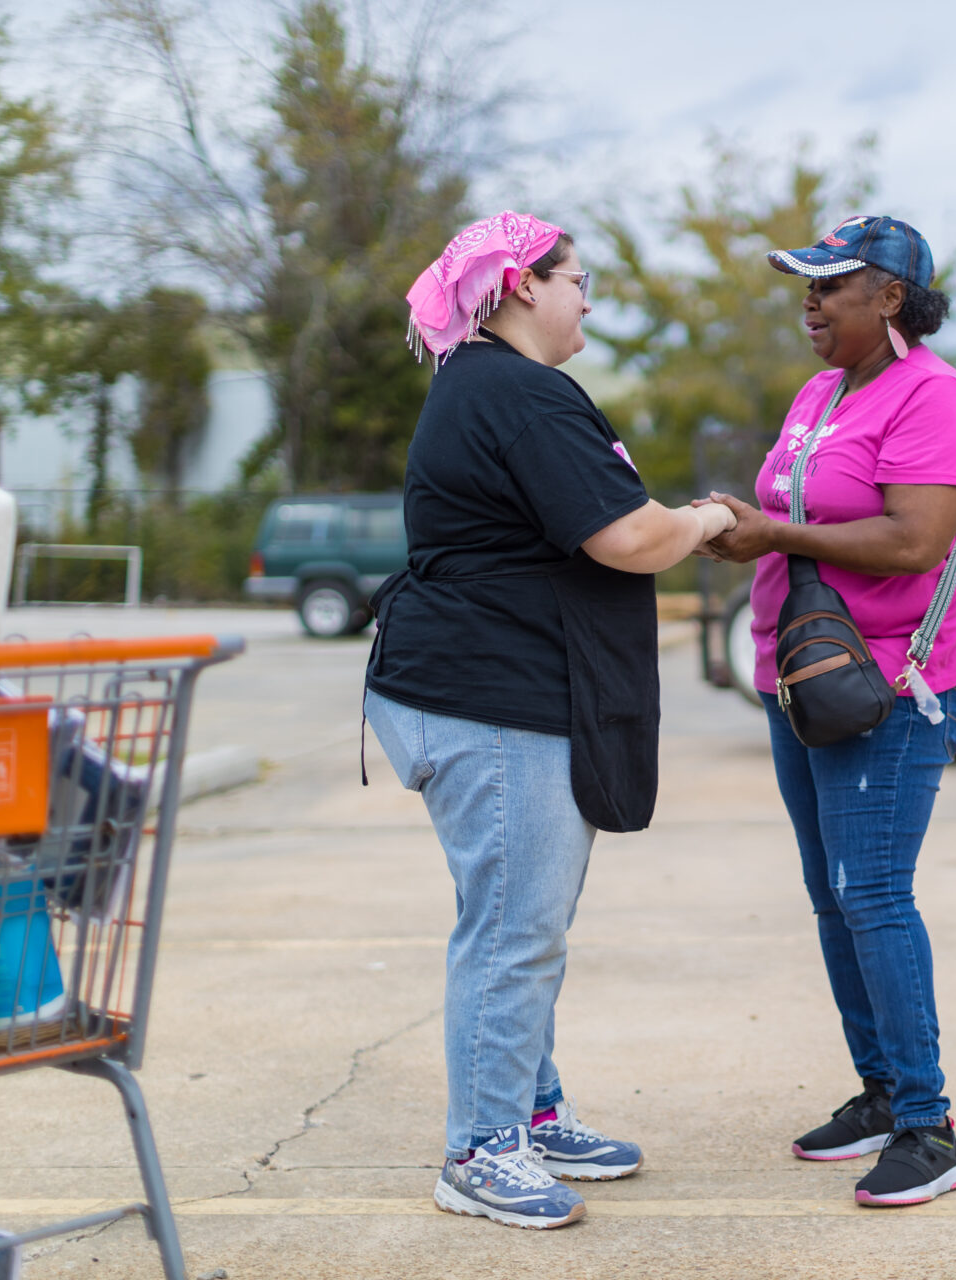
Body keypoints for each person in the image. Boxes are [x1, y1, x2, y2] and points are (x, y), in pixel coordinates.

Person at [363, 210, 735, 1230]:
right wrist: (706, 520)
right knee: (514, 929)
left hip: (479, 691)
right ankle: (480, 1149)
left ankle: (526, 1107)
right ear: (523, 283)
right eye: (577, 279)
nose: (589, 299)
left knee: (521, 920)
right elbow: (628, 535)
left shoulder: (483, 387)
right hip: (490, 699)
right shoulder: (520, 393)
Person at [700, 215, 956, 1207]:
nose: (810, 302)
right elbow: (800, 510)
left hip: (897, 684)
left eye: (830, 285)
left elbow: (915, 542)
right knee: (833, 892)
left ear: (891, 298)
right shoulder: (823, 390)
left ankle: (928, 1123)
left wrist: (769, 529)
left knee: (872, 890)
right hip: (808, 677)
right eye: (806, 284)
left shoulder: (934, 397)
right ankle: (878, 1090)